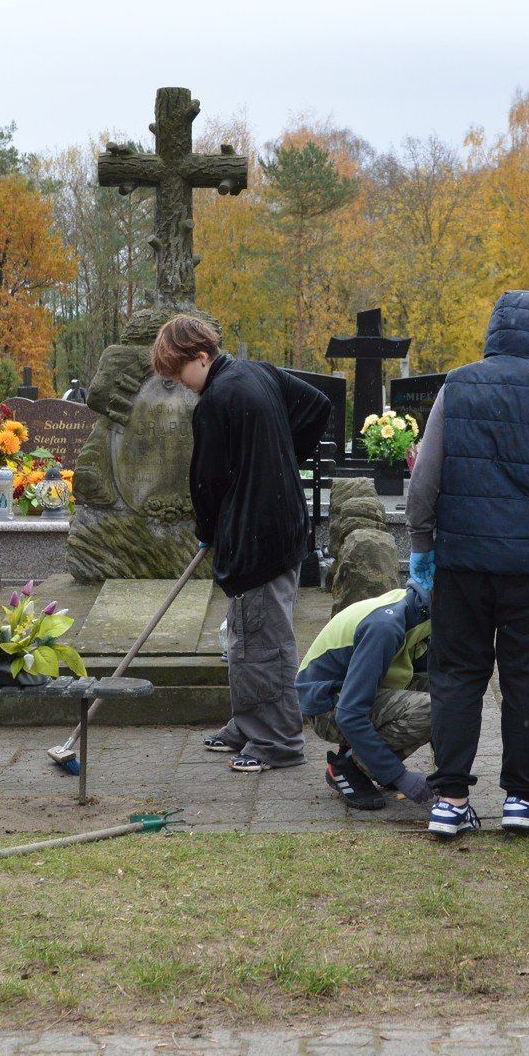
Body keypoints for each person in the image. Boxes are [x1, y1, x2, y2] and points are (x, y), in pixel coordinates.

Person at [407, 290, 529, 838]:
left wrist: (423, 547)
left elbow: (424, 479)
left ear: (494, 331)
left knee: (456, 677)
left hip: (462, 565)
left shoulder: (456, 386)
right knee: (525, 678)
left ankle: (449, 798)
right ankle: (520, 795)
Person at [153, 314, 331, 772]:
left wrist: (209, 529)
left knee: (263, 641)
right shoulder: (260, 372)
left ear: (200, 356)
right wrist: (277, 458)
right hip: (283, 526)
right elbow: (317, 406)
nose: (181, 384)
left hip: (257, 539)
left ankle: (278, 742)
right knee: (245, 633)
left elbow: (206, 483)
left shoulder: (216, 400)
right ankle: (248, 723)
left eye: (179, 373)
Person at [296, 584, 435, 810]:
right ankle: (348, 766)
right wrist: (398, 776)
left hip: (355, 693)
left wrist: (449, 777)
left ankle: (358, 756)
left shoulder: (420, 607)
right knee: (431, 709)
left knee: (451, 696)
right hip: (327, 706)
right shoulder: (386, 627)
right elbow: (349, 714)